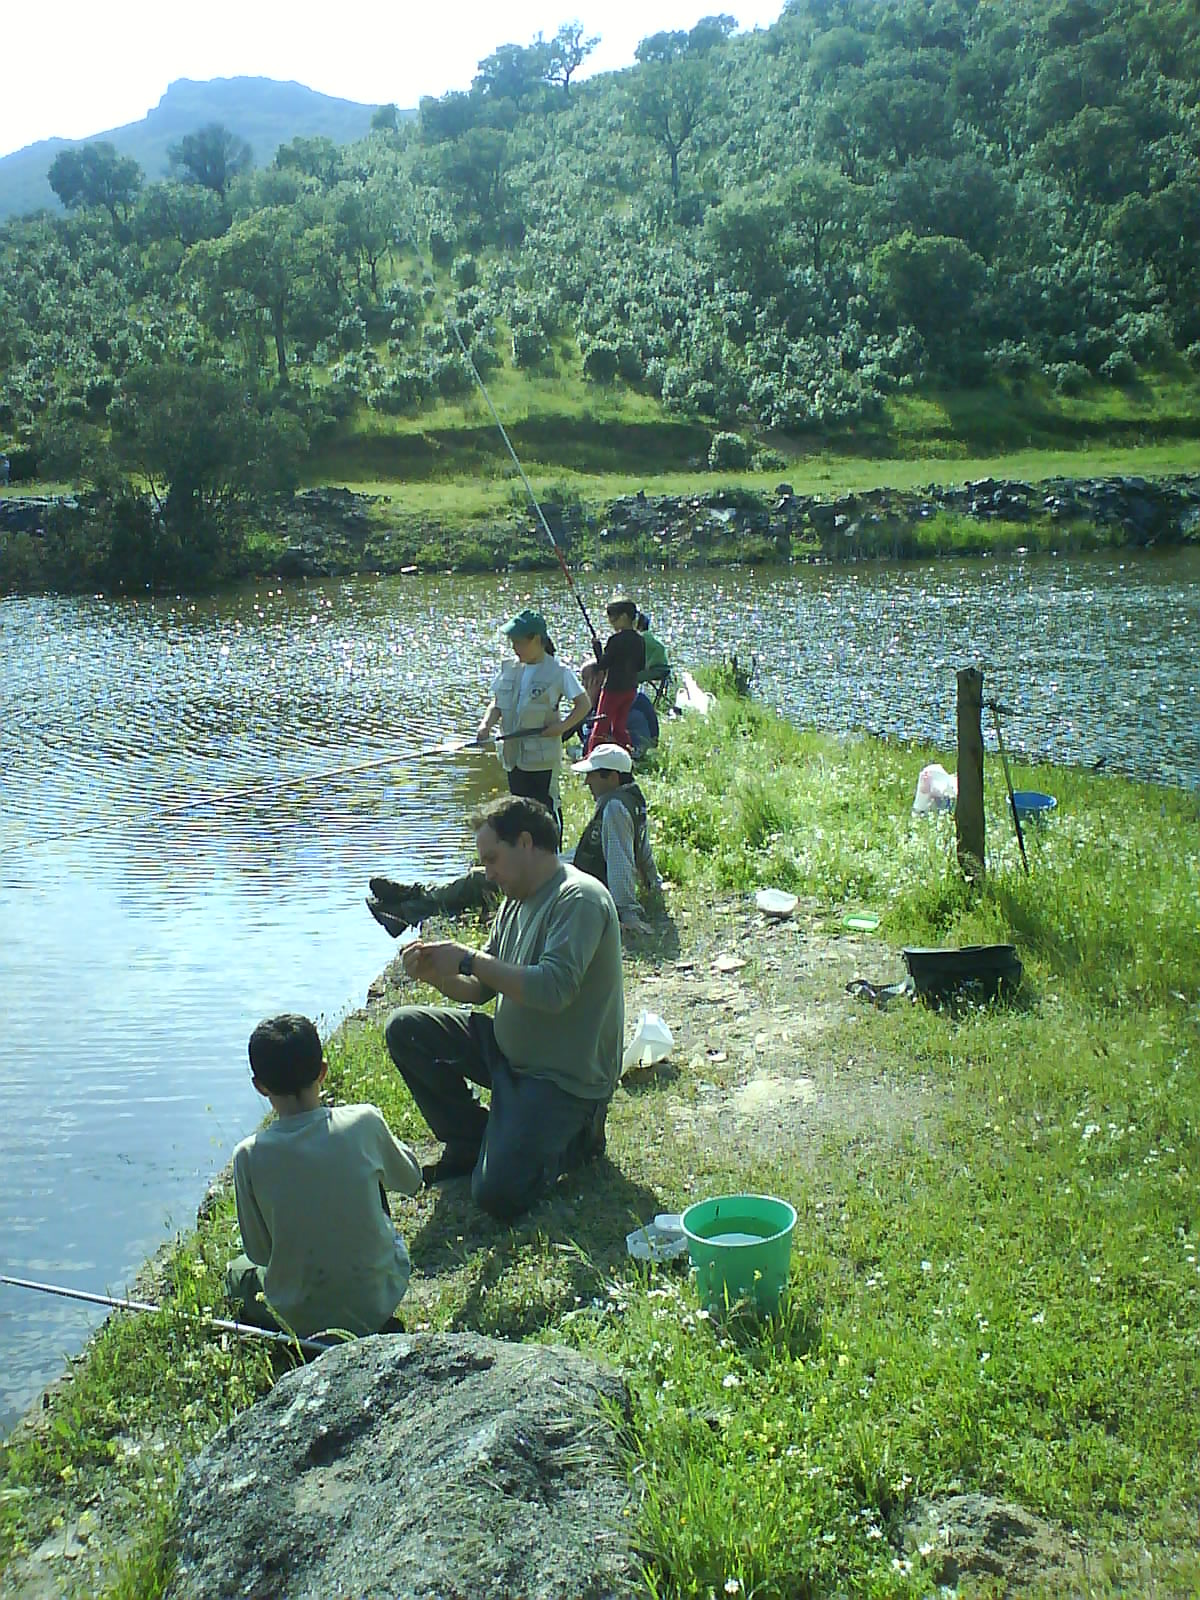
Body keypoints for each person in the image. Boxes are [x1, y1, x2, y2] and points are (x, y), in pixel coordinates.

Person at [383, 795, 623, 1221]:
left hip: (561, 1078)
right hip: (508, 1053)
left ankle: (579, 1135)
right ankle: (471, 1140)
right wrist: (436, 975)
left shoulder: (579, 898)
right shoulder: (515, 897)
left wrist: (469, 958)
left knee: (497, 1195)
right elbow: (480, 989)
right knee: (406, 1028)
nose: (488, 874)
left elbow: (553, 990)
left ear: (526, 843)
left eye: (492, 859)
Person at [225, 1013, 421, 1338]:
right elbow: (412, 1180)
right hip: (379, 1300)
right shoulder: (364, 1121)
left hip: (299, 1317)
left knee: (237, 1273)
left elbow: (260, 1253)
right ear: (323, 1071)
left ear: (260, 1087)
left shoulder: (248, 1155)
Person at [477, 608, 591, 846]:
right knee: (520, 810)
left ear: (537, 640)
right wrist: (486, 725)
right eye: (512, 642)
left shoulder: (559, 672)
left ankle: (552, 855)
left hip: (542, 759)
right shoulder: (510, 668)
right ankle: (525, 857)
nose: (515, 648)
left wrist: (561, 727)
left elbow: (583, 704)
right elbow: (497, 704)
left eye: (519, 642)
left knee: (545, 810)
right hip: (513, 756)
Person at [569, 743, 662, 933]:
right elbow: (642, 847)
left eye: (592, 775)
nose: (587, 782)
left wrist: (627, 913)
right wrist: (654, 881)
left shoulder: (614, 808)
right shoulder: (632, 798)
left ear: (612, 777)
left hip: (588, 892)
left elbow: (620, 861)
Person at [584, 596, 645, 756]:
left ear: (624, 617)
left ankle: (591, 756)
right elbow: (641, 666)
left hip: (613, 690)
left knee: (600, 726)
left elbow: (603, 665)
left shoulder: (615, 640)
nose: (610, 621)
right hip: (630, 689)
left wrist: (597, 648)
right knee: (619, 726)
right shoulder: (640, 640)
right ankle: (626, 755)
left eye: (613, 617)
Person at [636, 611, 670, 691]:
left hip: (658, 669)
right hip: (663, 668)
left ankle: (630, 700)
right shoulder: (648, 635)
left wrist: (649, 664)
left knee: (628, 678)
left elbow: (660, 648)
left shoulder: (642, 636)